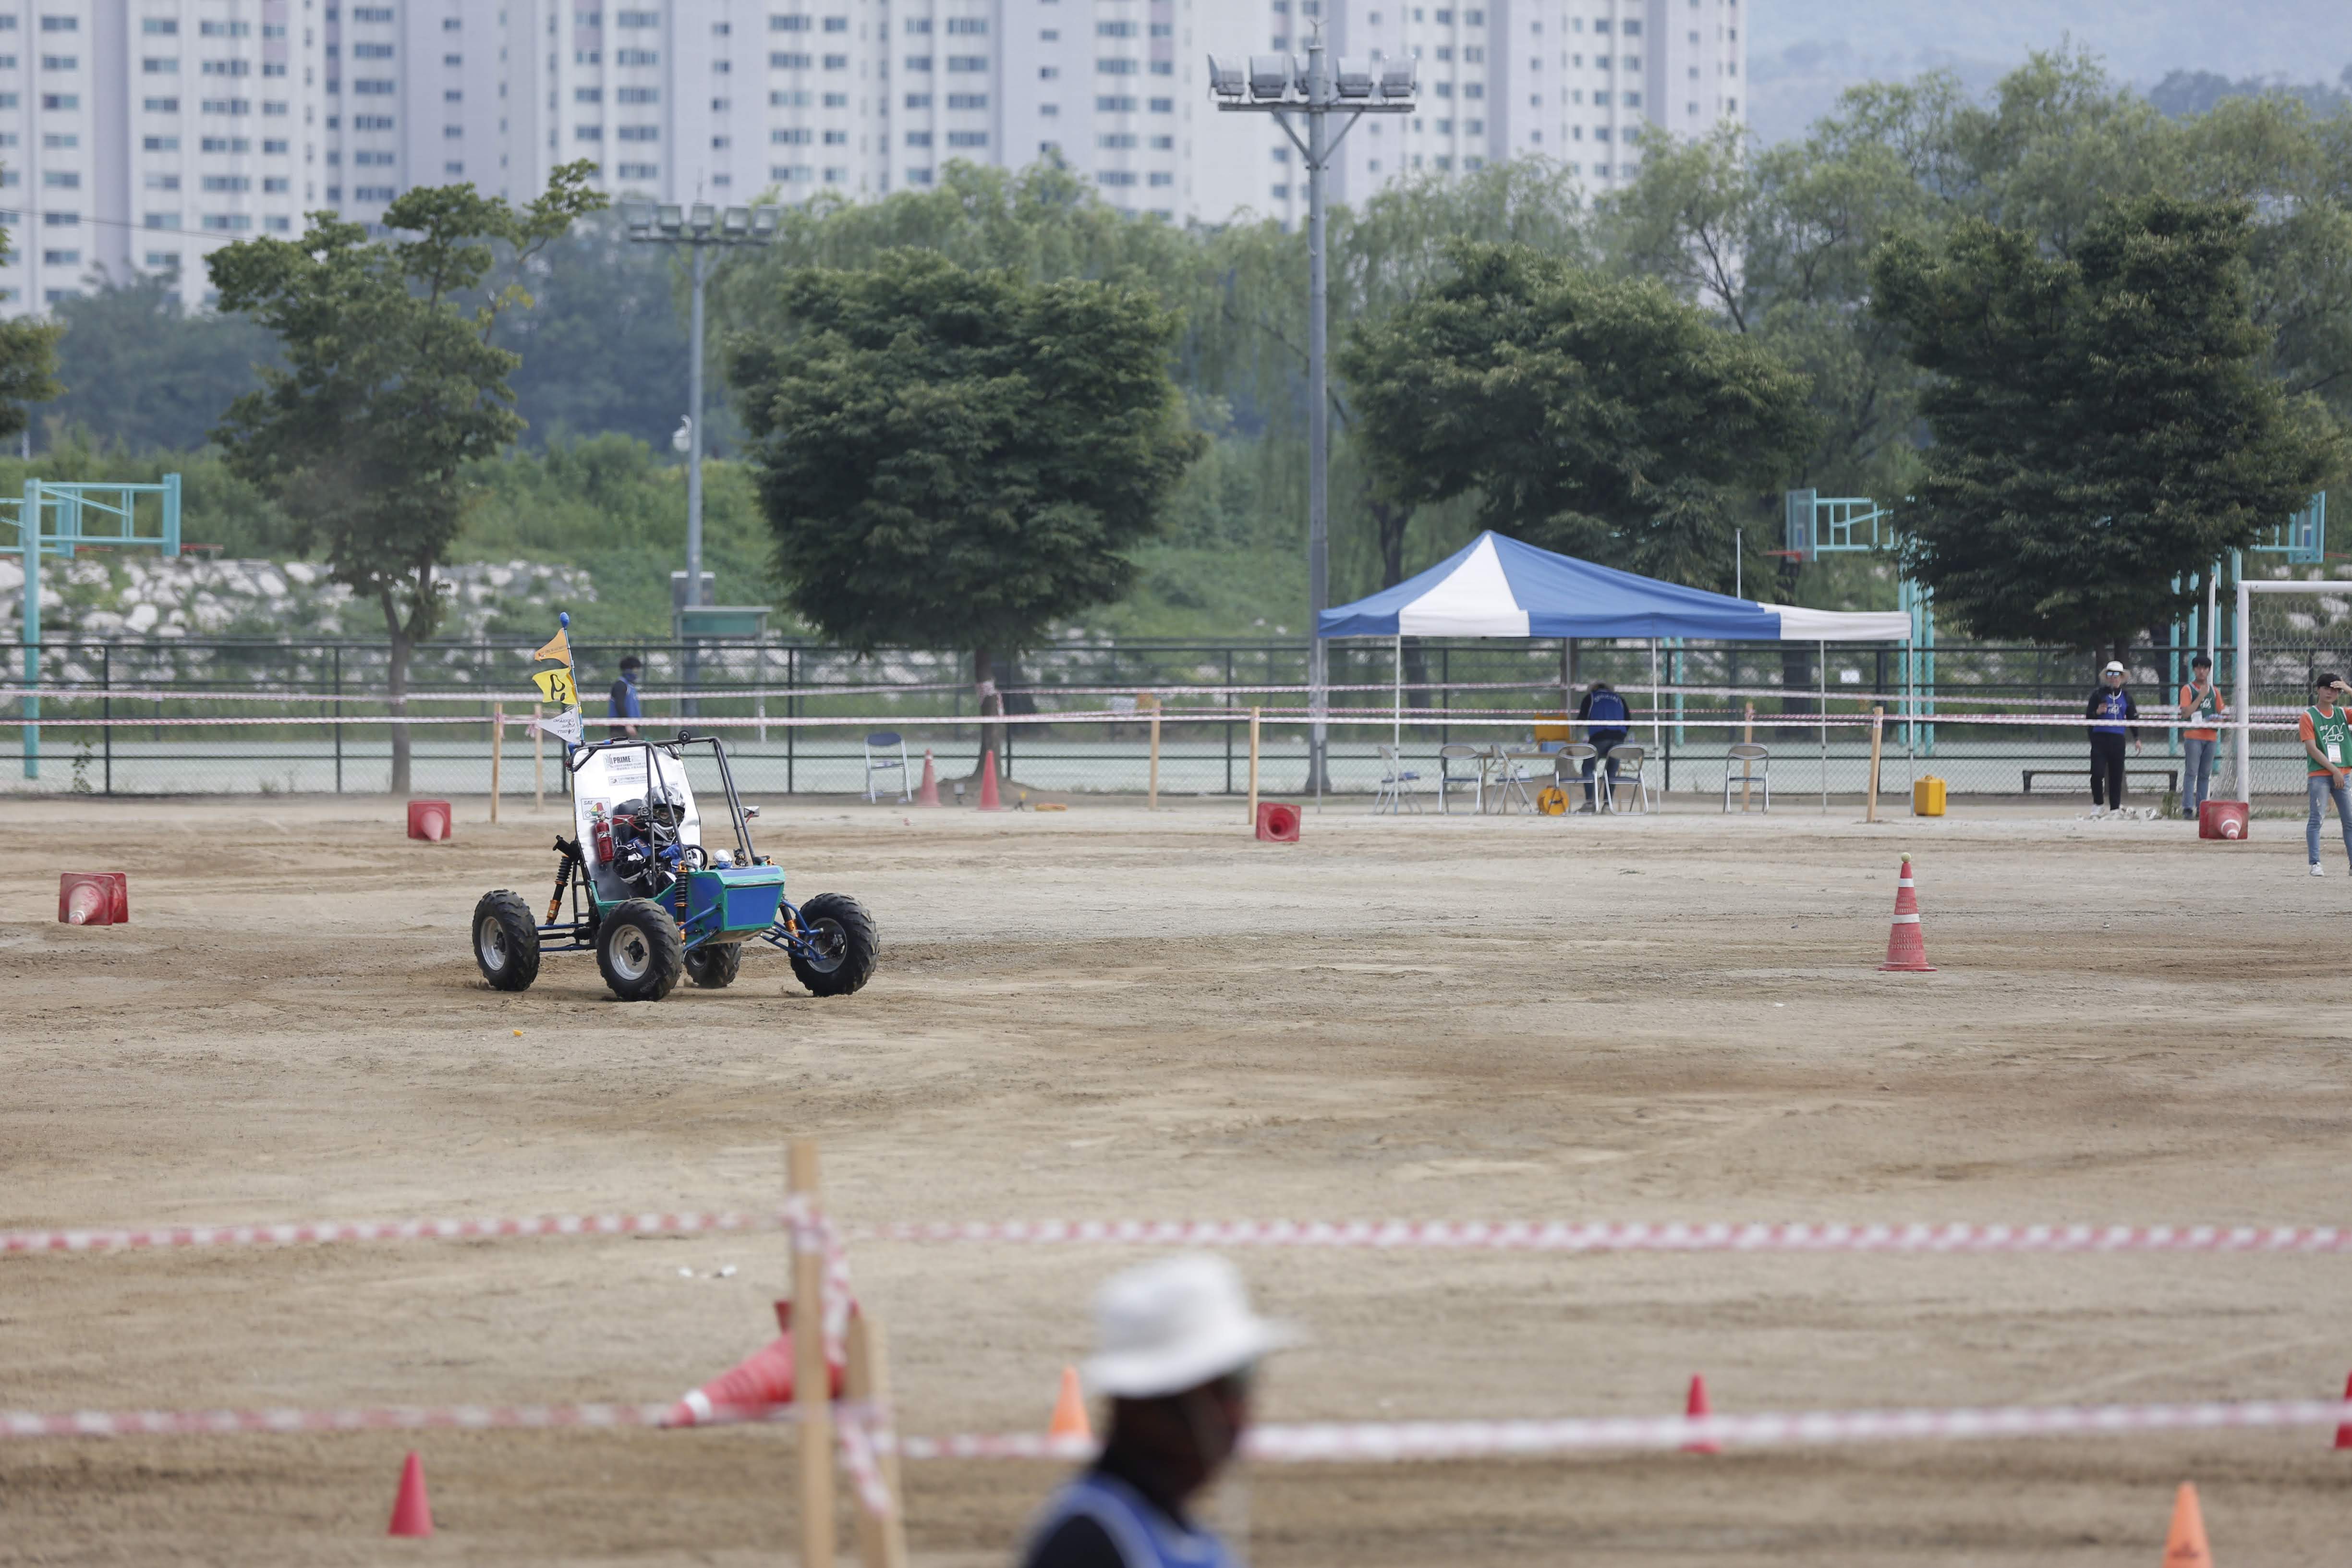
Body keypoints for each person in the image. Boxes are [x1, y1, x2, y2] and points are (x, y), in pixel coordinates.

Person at [1018, 1254, 1296, 1568]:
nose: (1239, 1412)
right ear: (1146, 1408)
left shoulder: (1181, 1534)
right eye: (1227, 1386)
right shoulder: (1088, 1546)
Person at [2301, 672, 2352, 877]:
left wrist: (2349, 689)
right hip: (2321, 774)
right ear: (2318, 690)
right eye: (2326, 688)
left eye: (2335, 690)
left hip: (2344, 773)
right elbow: (2312, 748)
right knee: (2316, 819)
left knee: (2349, 821)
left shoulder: (2342, 713)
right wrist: (2334, 771)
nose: (2330, 692)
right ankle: (2315, 863)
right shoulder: (2309, 716)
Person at [2084, 660, 2143, 814]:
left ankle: (2115, 808)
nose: (2113, 678)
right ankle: (2098, 804)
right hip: (2100, 739)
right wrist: (2097, 713)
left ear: (2122, 677)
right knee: (2097, 774)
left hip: (2117, 740)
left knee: (2116, 776)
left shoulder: (2127, 697)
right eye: (2110, 674)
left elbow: (2132, 718)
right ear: (2107, 677)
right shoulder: (2098, 695)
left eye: (2117, 675)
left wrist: (2137, 738)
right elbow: (2088, 716)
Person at [2176, 654, 2226, 821]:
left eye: (2205, 668)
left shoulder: (2215, 691)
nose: (2202, 671)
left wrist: (2217, 719)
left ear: (2209, 670)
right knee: (2191, 772)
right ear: (2194, 670)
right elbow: (2186, 713)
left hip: (2210, 737)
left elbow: (2220, 712)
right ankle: (2188, 808)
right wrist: (2200, 696)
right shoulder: (2188, 689)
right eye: (2198, 668)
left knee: (2205, 774)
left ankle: (2203, 807)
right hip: (2194, 736)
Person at [1575, 681, 1630, 812]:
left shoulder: (1591, 698)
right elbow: (1628, 721)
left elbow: (1582, 718)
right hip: (1618, 739)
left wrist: (1576, 727)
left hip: (1599, 738)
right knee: (1611, 772)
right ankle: (1607, 805)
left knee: (1588, 768)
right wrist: (1619, 734)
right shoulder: (1620, 699)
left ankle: (1590, 803)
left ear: (1594, 689)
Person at [607, 655, 644, 741]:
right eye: (635, 669)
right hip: (621, 729)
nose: (637, 672)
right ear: (628, 670)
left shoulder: (631, 686)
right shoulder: (621, 685)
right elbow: (619, 705)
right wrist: (627, 724)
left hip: (631, 728)